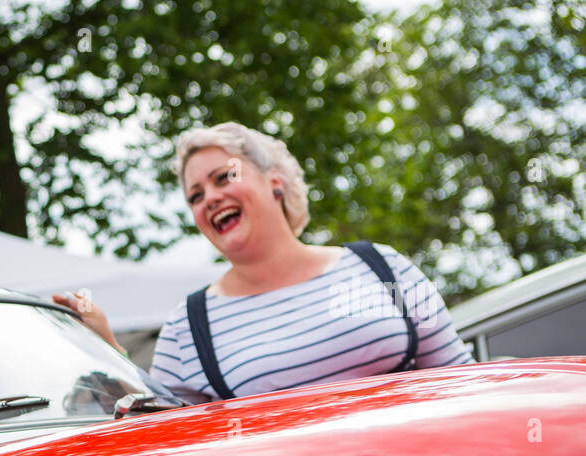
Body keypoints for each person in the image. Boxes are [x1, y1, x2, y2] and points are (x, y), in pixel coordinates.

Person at [55, 121, 474, 404]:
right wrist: (107, 348)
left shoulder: (380, 267)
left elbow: (462, 385)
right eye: (196, 196)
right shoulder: (189, 325)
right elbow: (171, 438)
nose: (210, 198)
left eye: (223, 178)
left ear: (275, 183)